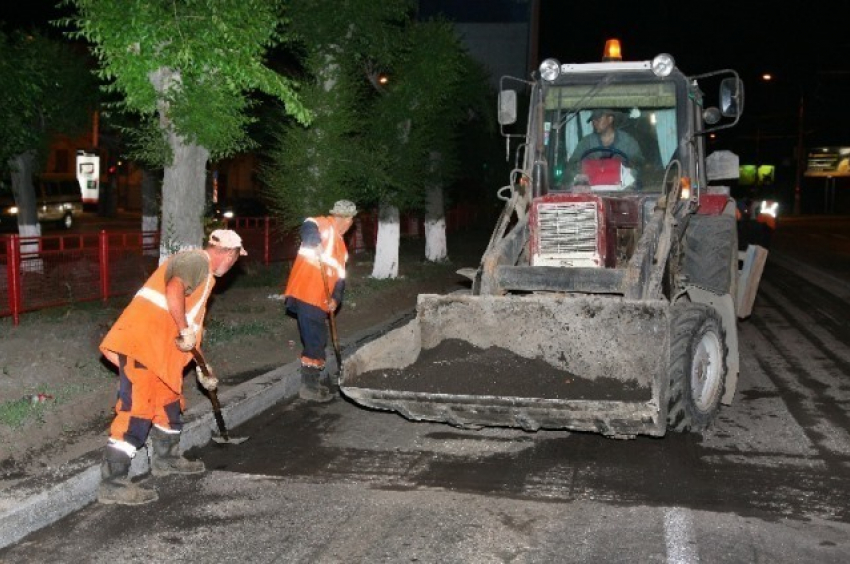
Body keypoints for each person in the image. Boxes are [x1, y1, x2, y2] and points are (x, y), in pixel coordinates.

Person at [97, 229, 247, 505]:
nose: (235, 264)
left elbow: (190, 325)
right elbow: (174, 289)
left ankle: (166, 459)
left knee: (169, 405)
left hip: (160, 353)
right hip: (142, 345)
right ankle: (113, 483)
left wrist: (203, 367)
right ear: (229, 253)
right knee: (137, 412)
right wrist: (182, 329)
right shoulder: (196, 261)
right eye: (236, 258)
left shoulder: (205, 277)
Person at [283, 200, 357, 403]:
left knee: (317, 337)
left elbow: (340, 278)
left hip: (320, 299)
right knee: (315, 340)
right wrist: (312, 240)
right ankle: (309, 387)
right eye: (347, 219)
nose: (347, 222)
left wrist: (336, 298)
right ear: (346, 219)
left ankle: (314, 379)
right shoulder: (323, 225)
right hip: (306, 292)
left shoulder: (341, 247)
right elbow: (308, 224)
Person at [567, 108, 645, 185]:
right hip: (592, 189)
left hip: (622, 190)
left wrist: (629, 167)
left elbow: (638, 164)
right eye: (593, 120)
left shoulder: (628, 141)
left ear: (610, 119)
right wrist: (581, 170)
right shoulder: (586, 142)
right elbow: (573, 163)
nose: (594, 122)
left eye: (598, 119)